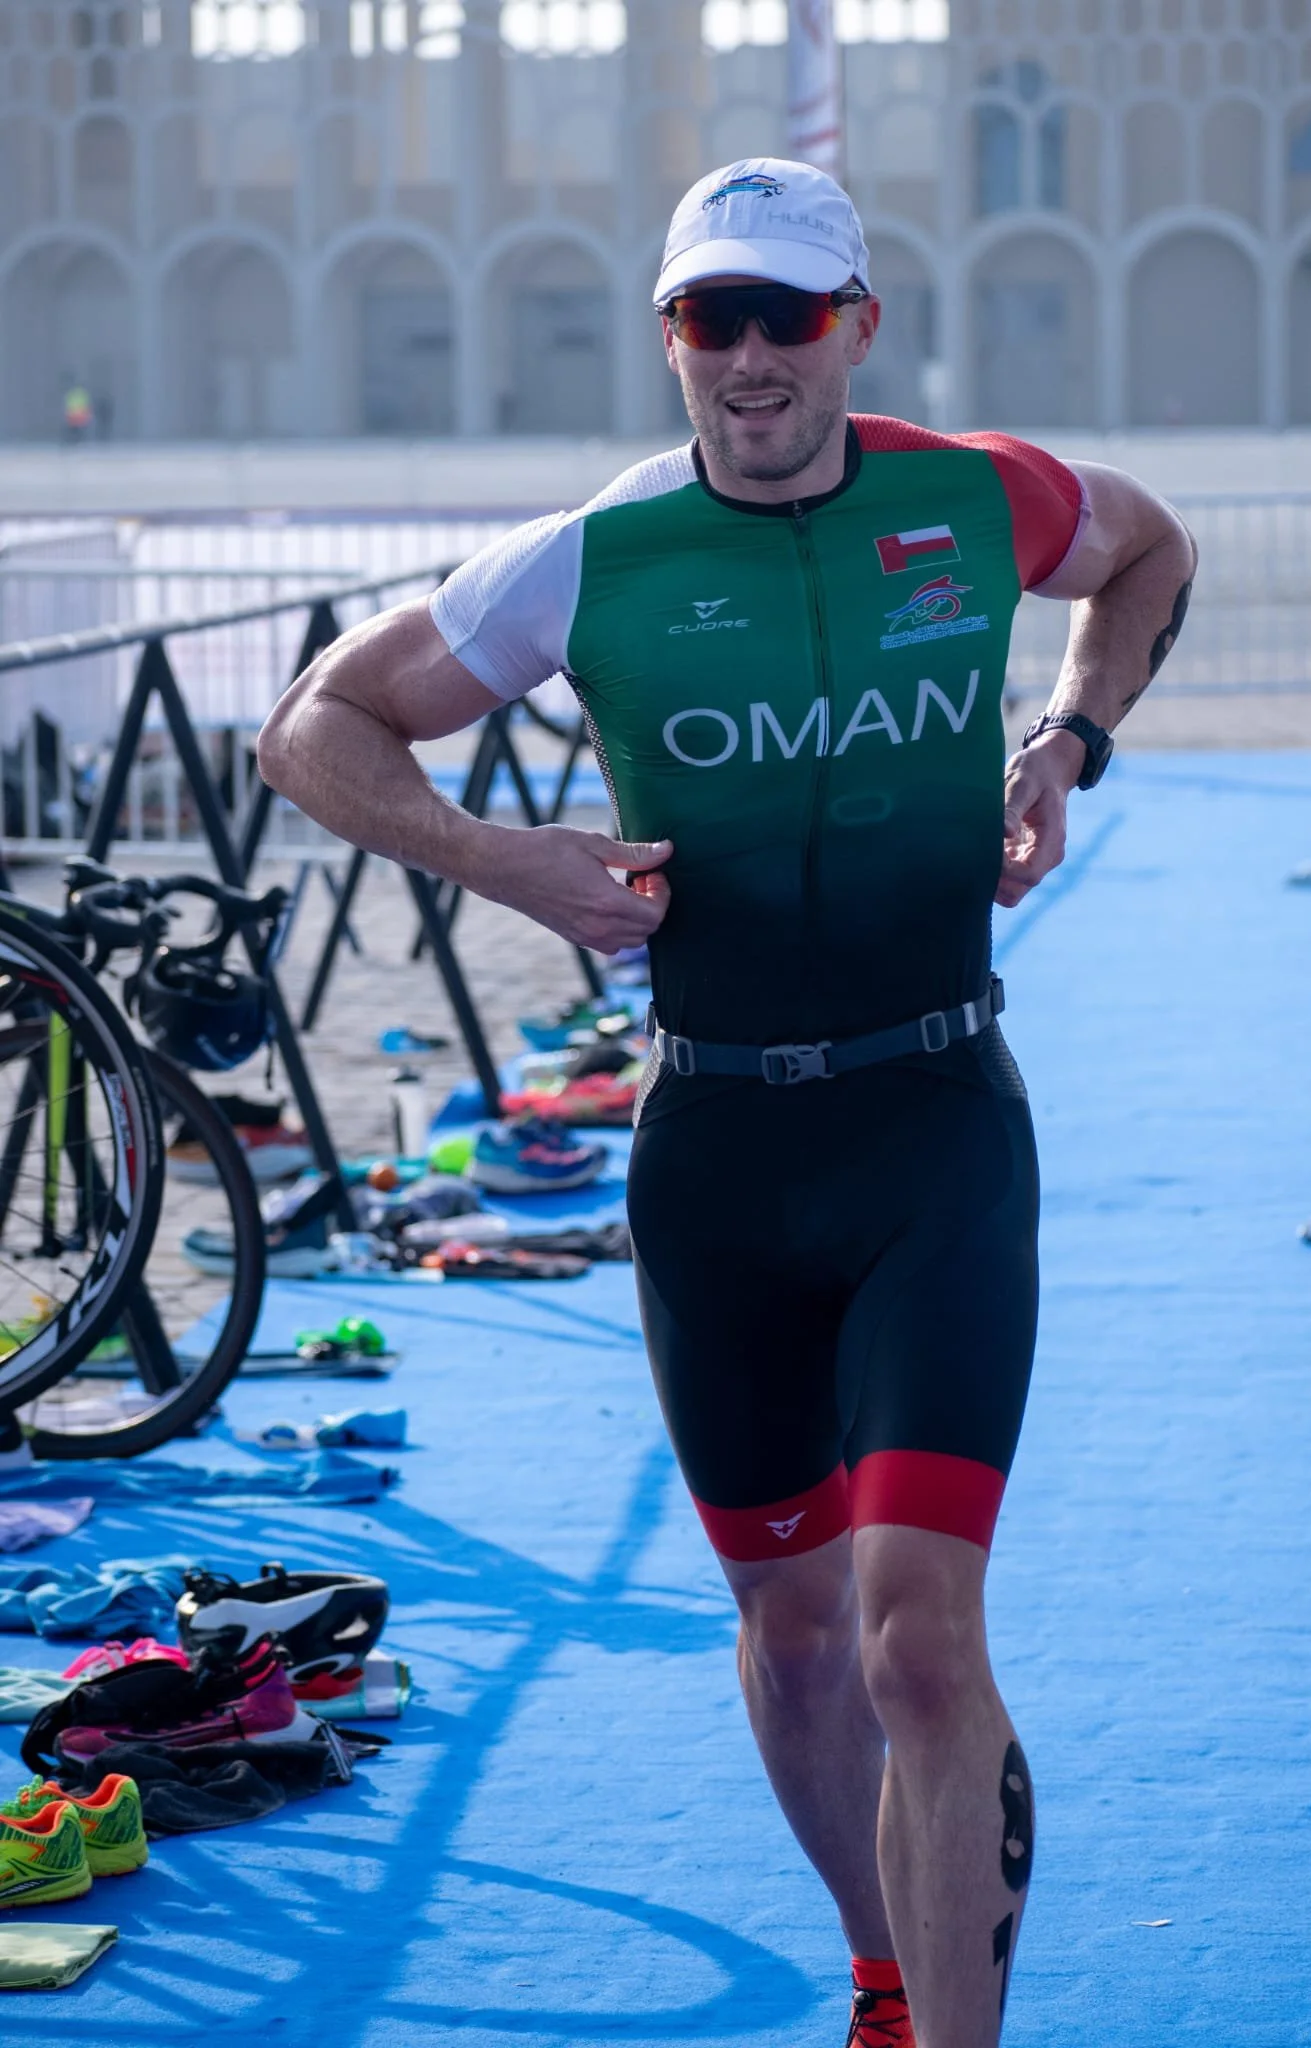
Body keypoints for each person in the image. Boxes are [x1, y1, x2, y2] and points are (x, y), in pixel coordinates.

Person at [258, 158, 1196, 2048]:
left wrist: (1066, 739)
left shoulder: (974, 497)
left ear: (855, 325)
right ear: (669, 337)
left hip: (936, 1128)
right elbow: (312, 728)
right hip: (715, 1162)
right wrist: (502, 859)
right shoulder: (591, 558)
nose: (749, 355)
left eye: (786, 313)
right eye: (710, 317)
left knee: (918, 1641)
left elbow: (1150, 551)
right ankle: (881, 1973)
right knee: (794, 1631)